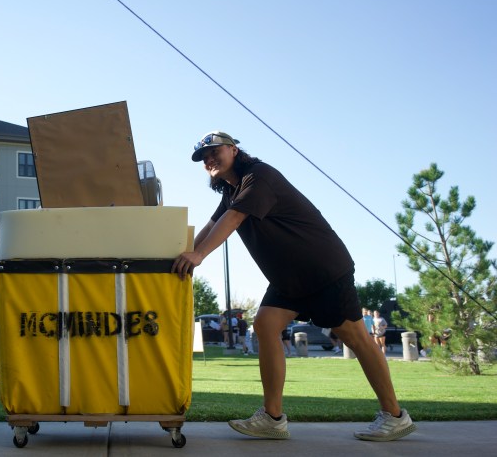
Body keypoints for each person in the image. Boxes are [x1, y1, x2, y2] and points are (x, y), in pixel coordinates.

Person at [172, 131, 416, 442]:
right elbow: (212, 226)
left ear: (233, 149)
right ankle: (272, 418)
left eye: (214, 151)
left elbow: (233, 219)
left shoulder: (258, 175)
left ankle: (395, 415)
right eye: (203, 157)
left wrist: (198, 256)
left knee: (355, 337)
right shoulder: (232, 192)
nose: (209, 159)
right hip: (289, 278)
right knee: (265, 325)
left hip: (322, 268)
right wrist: (183, 257)